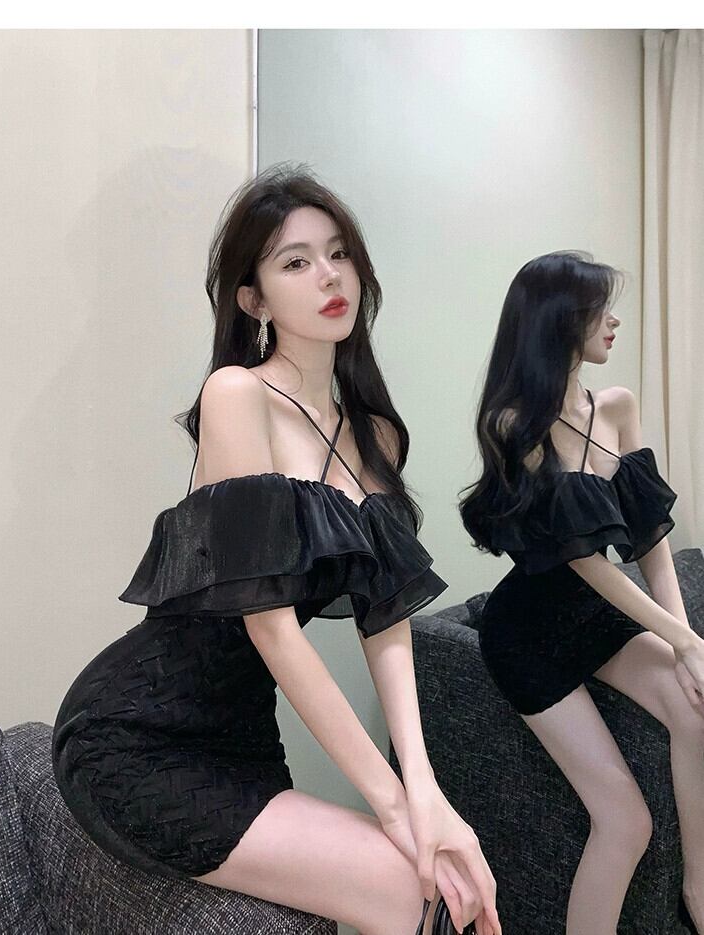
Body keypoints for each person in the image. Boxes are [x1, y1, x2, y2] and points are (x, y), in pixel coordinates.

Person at [52, 166, 501, 935]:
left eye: (338, 253)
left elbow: (385, 621)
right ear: (253, 300)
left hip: (245, 734)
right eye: (296, 261)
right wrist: (397, 807)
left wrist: (424, 785)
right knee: (420, 892)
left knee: (447, 885)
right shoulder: (238, 395)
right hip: (139, 734)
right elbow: (269, 626)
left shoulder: (375, 435)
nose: (329, 274)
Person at [459, 250, 704, 935]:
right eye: (601, 310)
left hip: (597, 618)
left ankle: (699, 887)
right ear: (561, 320)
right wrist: (680, 639)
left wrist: (687, 643)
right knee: (624, 821)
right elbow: (588, 562)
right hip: (528, 636)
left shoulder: (616, 406)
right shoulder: (513, 425)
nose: (613, 322)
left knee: (696, 707)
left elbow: (650, 537)